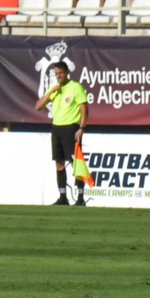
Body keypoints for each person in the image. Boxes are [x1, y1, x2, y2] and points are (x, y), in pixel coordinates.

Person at [32, 61, 88, 207]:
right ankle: (63, 197)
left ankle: (80, 198)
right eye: (56, 74)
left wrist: (81, 128)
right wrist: (50, 92)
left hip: (71, 128)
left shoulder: (76, 87)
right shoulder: (54, 89)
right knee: (59, 164)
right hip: (57, 129)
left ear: (66, 72)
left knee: (76, 164)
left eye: (60, 73)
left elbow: (84, 109)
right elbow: (38, 106)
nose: (58, 76)